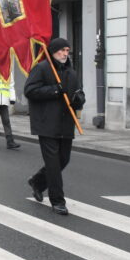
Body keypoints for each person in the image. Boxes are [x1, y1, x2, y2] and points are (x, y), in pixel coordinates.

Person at [26, 38, 85, 216]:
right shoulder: (42, 68)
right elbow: (30, 91)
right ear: (53, 52)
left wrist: (79, 99)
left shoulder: (71, 72)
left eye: (67, 50)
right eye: (62, 50)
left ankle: (37, 182)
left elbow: (78, 91)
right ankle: (58, 201)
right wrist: (54, 90)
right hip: (47, 123)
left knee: (63, 160)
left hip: (66, 123)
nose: (65, 53)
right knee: (53, 164)